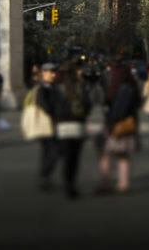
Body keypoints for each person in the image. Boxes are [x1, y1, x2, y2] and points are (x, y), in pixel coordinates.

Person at [33, 63, 89, 199]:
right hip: (52, 126)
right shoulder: (44, 88)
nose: (52, 74)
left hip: (60, 125)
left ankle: (54, 178)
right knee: (56, 154)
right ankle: (51, 177)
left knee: (61, 154)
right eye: (50, 72)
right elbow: (44, 105)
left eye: (54, 72)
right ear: (43, 73)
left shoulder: (57, 87)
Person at [97, 62, 140, 195]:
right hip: (127, 126)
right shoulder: (132, 88)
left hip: (116, 125)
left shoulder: (118, 89)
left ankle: (106, 183)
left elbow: (117, 111)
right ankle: (123, 183)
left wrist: (110, 123)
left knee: (106, 154)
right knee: (123, 156)